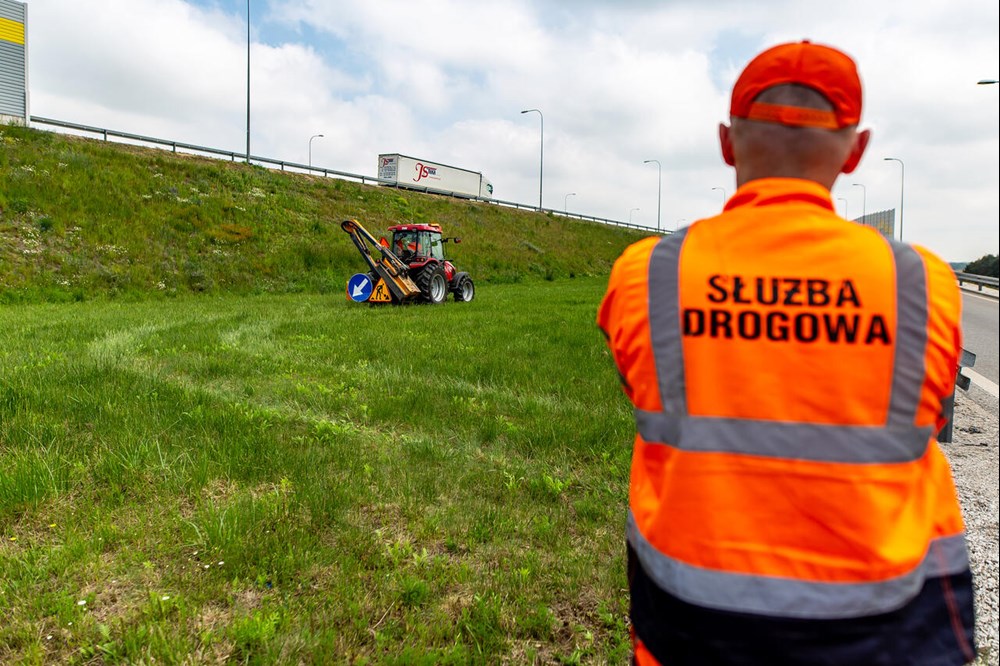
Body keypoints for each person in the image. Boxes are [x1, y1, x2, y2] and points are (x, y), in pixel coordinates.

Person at [597, 40, 977, 666]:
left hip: (693, 627)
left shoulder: (649, 275)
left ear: (726, 143)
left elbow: (643, 391)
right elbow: (931, 420)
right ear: (855, 152)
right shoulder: (922, 283)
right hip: (888, 627)